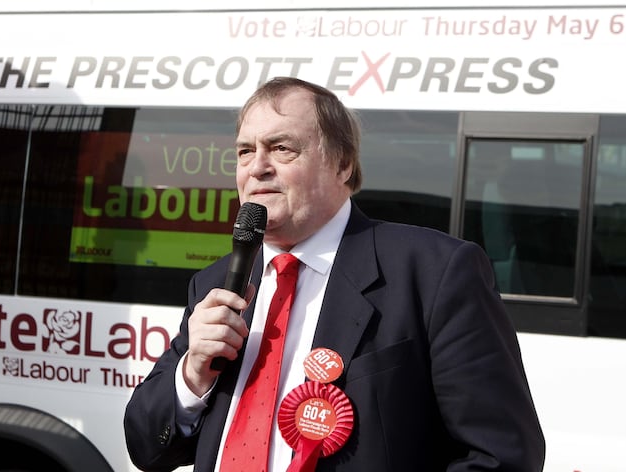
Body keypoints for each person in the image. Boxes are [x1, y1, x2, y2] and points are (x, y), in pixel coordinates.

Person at [123, 76, 545, 471]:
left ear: (342, 163)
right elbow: (146, 447)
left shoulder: (433, 271)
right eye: (245, 151)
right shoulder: (215, 284)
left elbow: (501, 455)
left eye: (282, 148)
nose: (257, 167)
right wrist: (192, 374)